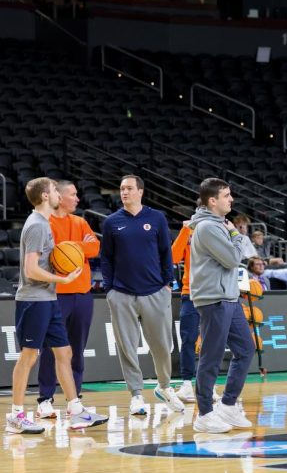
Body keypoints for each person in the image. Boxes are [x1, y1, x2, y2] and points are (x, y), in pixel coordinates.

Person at [8, 178, 107, 433]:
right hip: (34, 300)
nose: (58, 195)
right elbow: (30, 270)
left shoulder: (44, 223)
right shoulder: (37, 225)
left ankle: (76, 410)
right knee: (29, 357)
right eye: (54, 190)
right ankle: (16, 416)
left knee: (64, 353)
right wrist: (62, 279)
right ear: (45, 196)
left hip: (49, 299)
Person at [100, 175, 184, 415]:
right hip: (122, 294)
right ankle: (136, 395)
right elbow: (106, 257)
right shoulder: (112, 222)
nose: (124, 192)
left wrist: (167, 283)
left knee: (162, 346)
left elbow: (166, 252)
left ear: (140, 191)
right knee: (127, 347)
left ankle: (164, 386)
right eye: (121, 189)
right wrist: (109, 288)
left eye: (129, 188)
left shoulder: (156, 218)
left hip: (155, 291)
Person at [188, 178, 260, 433]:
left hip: (228, 297)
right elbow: (232, 258)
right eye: (227, 195)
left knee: (246, 349)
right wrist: (236, 235)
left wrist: (233, 235)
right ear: (212, 201)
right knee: (212, 356)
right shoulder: (208, 227)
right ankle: (205, 414)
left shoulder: (218, 224)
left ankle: (228, 405)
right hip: (213, 299)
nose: (231, 199)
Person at [35, 180, 101, 419]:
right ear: (60, 197)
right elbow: (49, 254)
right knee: (50, 350)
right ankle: (45, 399)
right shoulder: (45, 223)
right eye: (73, 194)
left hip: (82, 295)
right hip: (54, 295)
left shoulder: (80, 222)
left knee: (77, 349)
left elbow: (95, 248)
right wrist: (75, 249)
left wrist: (71, 247)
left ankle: (75, 399)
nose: (77, 198)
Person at [170, 221, 199, 403]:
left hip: (214, 294)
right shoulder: (189, 232)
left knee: (212, 341)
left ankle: (209, 385)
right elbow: (173, 258)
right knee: (188, 339)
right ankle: (187, 384)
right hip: (191, 293)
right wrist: (185, 229)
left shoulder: (220, 229)